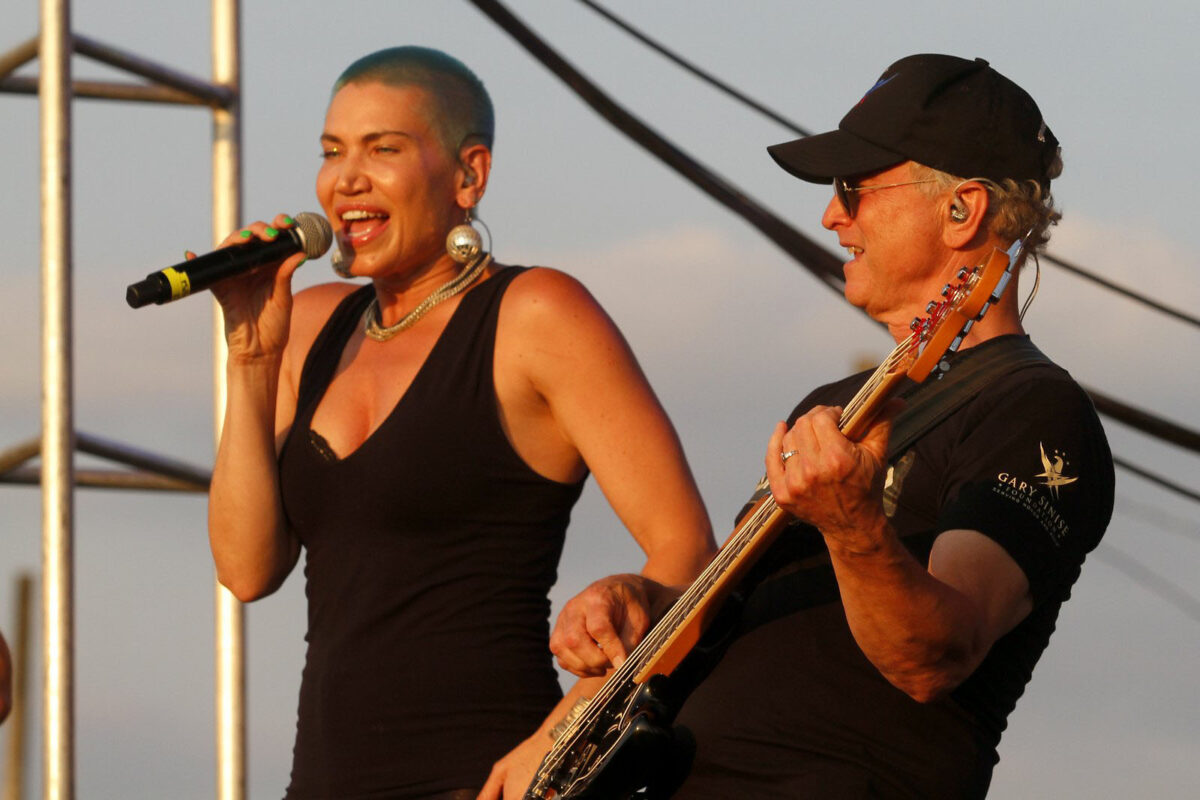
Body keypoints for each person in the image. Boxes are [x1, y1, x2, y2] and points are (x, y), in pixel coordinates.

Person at [545, 54, 1114, 798]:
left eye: (856, 187)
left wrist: (852, 523)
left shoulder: (1036, 409)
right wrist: (644, 604)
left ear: (962, 210)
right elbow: (740, 617)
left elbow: (934, 657)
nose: (831, 215)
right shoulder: (840, 403)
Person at [205, 46, 716, 799]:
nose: (346, 178)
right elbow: (247, 571)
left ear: (468, 174)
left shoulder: (536, 316)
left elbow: (690, 556)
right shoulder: (307, 326)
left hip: (489, 773)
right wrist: (251, 358)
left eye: (384, 150)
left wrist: (563, 731)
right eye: (332, 151)